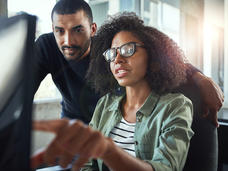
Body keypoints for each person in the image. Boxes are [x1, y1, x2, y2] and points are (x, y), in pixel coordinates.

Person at [31, 12, 197, 171]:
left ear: (153, 54)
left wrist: (108, 150)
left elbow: (166, 168)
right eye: (112, 53)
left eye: (128, 49)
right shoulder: (106, 104)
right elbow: (87, 165)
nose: (117, 59)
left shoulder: (176, 106)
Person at [33, 0, 223, 126]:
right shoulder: (46, 46)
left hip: (110, 128)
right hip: (73, 128)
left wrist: (200, 78)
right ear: (53, 29)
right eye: (59, 31)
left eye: (77, 30)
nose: (68, 41)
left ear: (92, 29)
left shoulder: (110, 48)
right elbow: (21, 88)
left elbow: (163, 54)